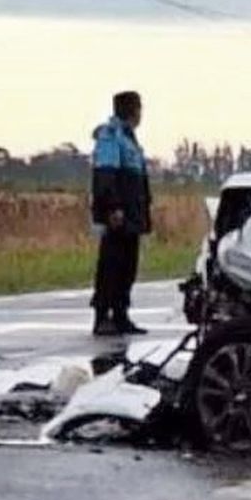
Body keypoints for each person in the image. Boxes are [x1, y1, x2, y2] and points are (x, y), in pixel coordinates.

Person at [90, 90, 152, 336]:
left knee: (128, 266)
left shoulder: (129, 138)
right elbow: (106, 175)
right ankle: (102, 315)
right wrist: (113, 208)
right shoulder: (111, 136)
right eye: (139, 108)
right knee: (111, 266)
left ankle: (121, 315)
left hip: (132, 212)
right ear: (132, 110)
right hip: (119, 213)